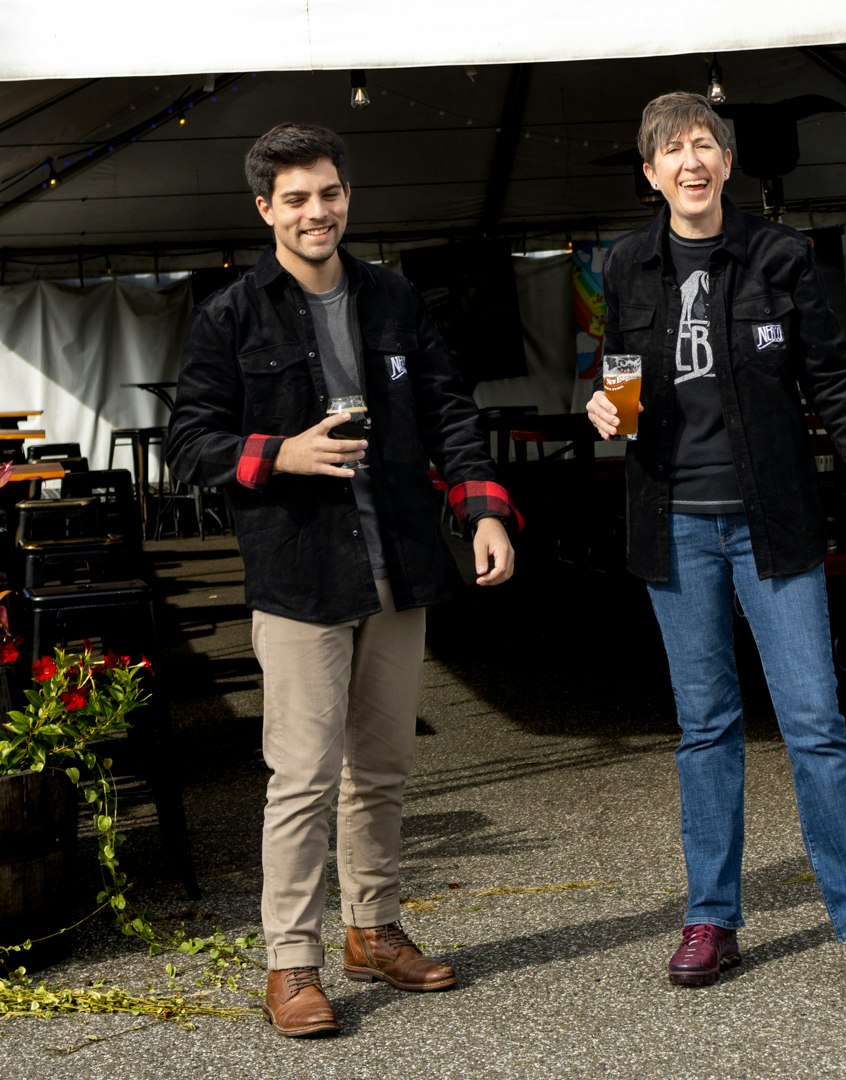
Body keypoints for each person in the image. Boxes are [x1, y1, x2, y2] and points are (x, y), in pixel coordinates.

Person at [167, 122, 520, 1037]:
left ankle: (373, 930)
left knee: (386, 769)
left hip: (398, 563)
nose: (315, 211)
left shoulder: (395, 298)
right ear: (265, 210)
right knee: (302, 778)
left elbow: (448, 408)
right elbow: (187, 447)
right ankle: (291, 963)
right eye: (295, 199)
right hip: (298, 574)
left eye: (328, 193)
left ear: (346, 196)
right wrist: (279, 453)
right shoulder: (229, 314)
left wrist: (481, 509)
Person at [585, 92, 846, 993]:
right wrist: (606, 409)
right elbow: (620, 375)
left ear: (727, 163)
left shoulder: (780, 255)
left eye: (705, 146)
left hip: (775, 527)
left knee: (814, 723)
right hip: (674, 525)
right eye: (671, 151)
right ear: (651, 175)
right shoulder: (624, 266)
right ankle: (710, 918)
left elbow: (838, 382)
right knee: (705, 730)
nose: (690, 162)